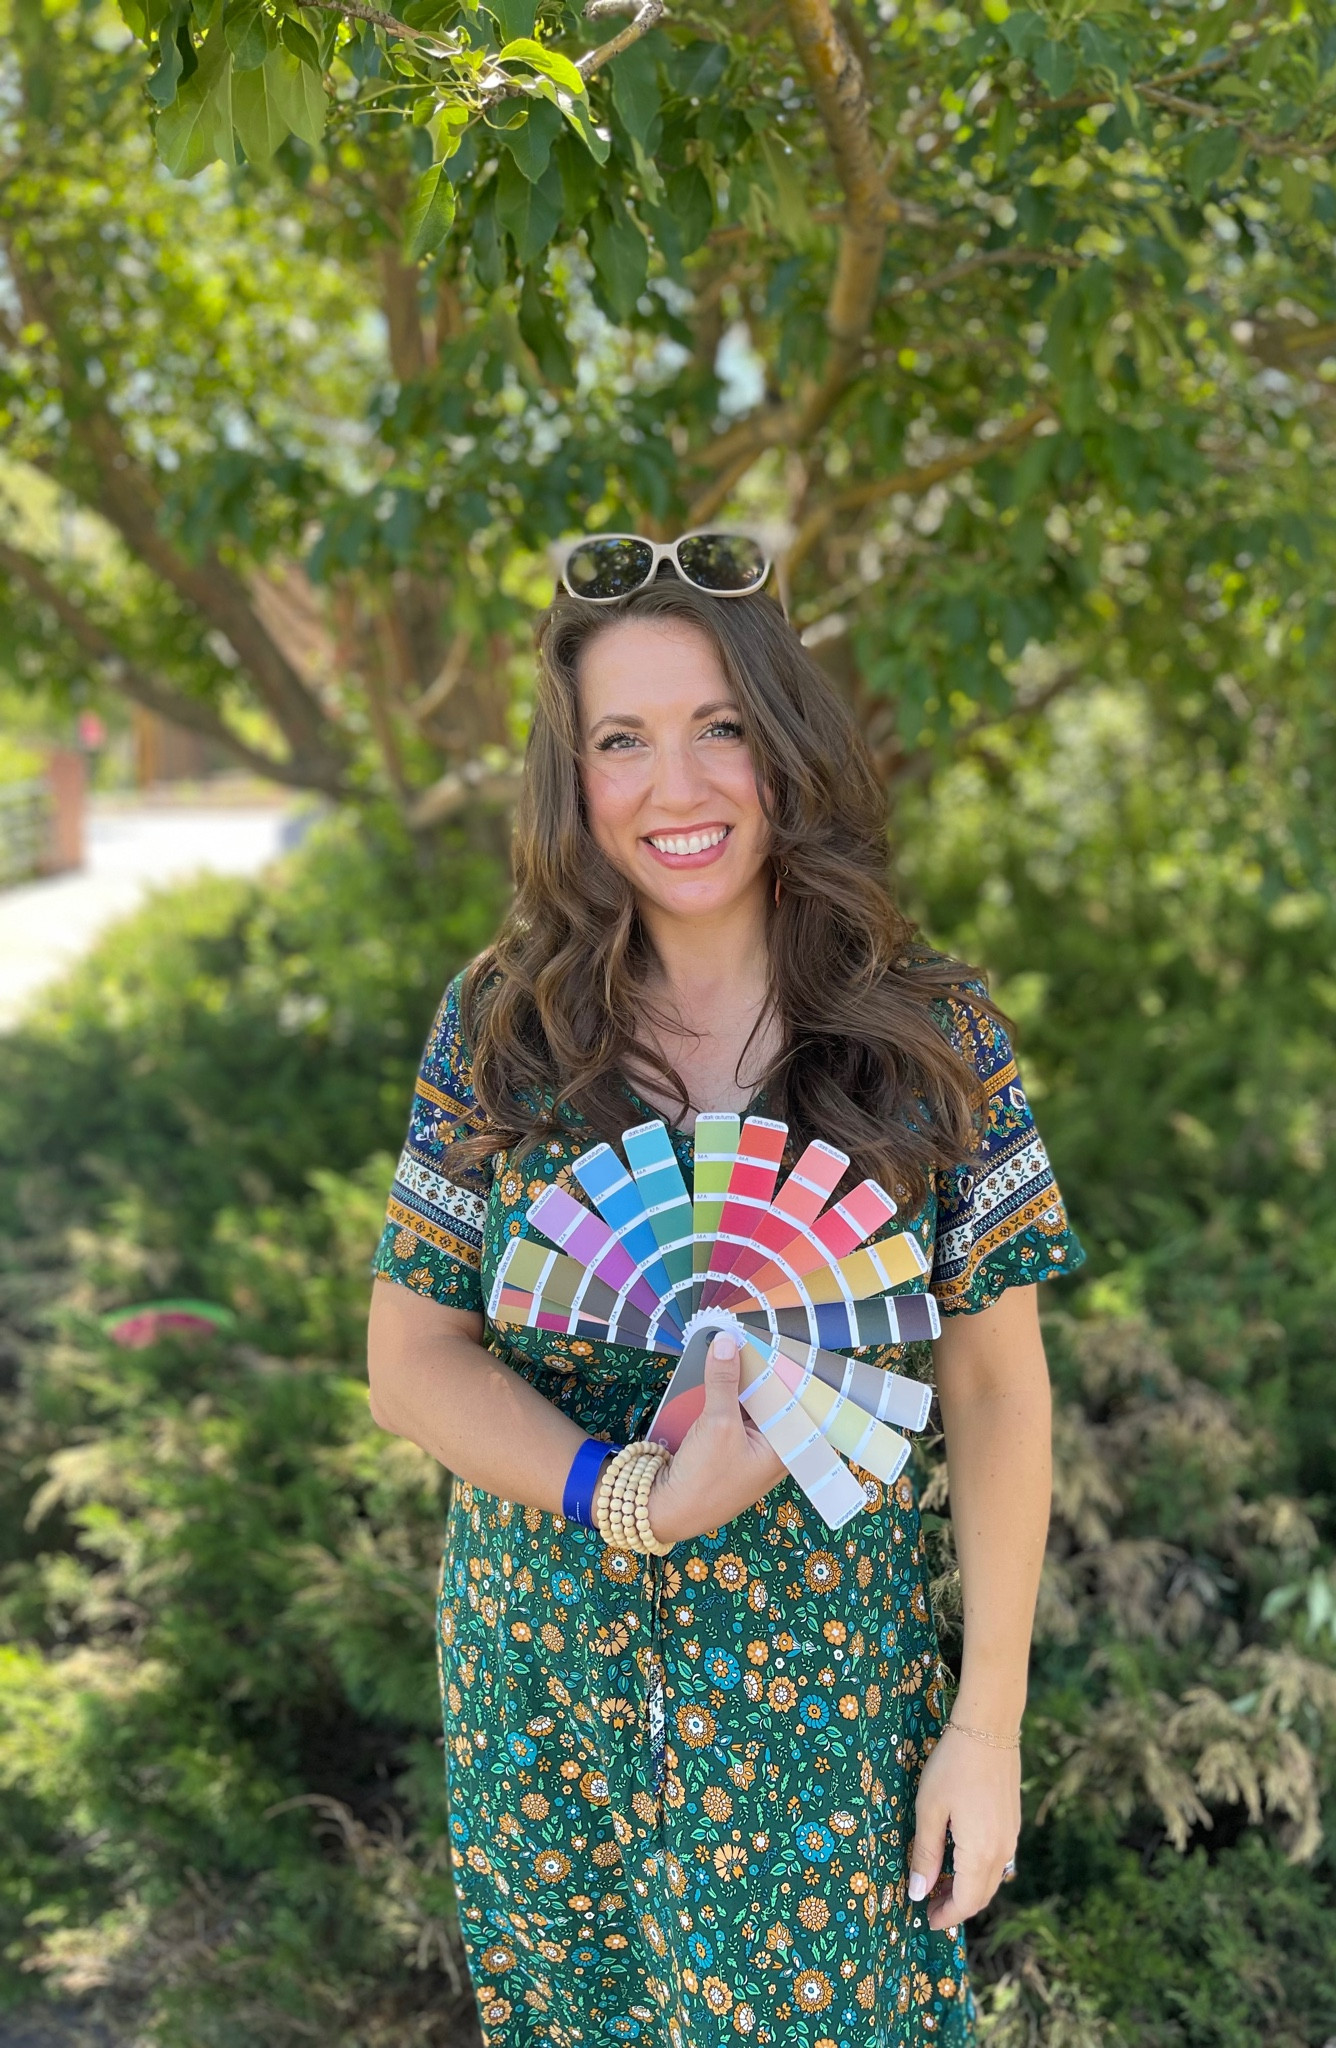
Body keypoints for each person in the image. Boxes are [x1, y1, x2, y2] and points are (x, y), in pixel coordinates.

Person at [367, 537, 1086, 2048]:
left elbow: (1001, 1388)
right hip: (548, 1685)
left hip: (827, 1700)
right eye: (620, 741)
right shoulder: (503, 1026)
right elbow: (414, 1359)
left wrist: (987, 1728)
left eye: (720, 728)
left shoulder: (929, 1035)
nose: (675, 788)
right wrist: (630, 1496)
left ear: (784, 741)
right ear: (573, 778)